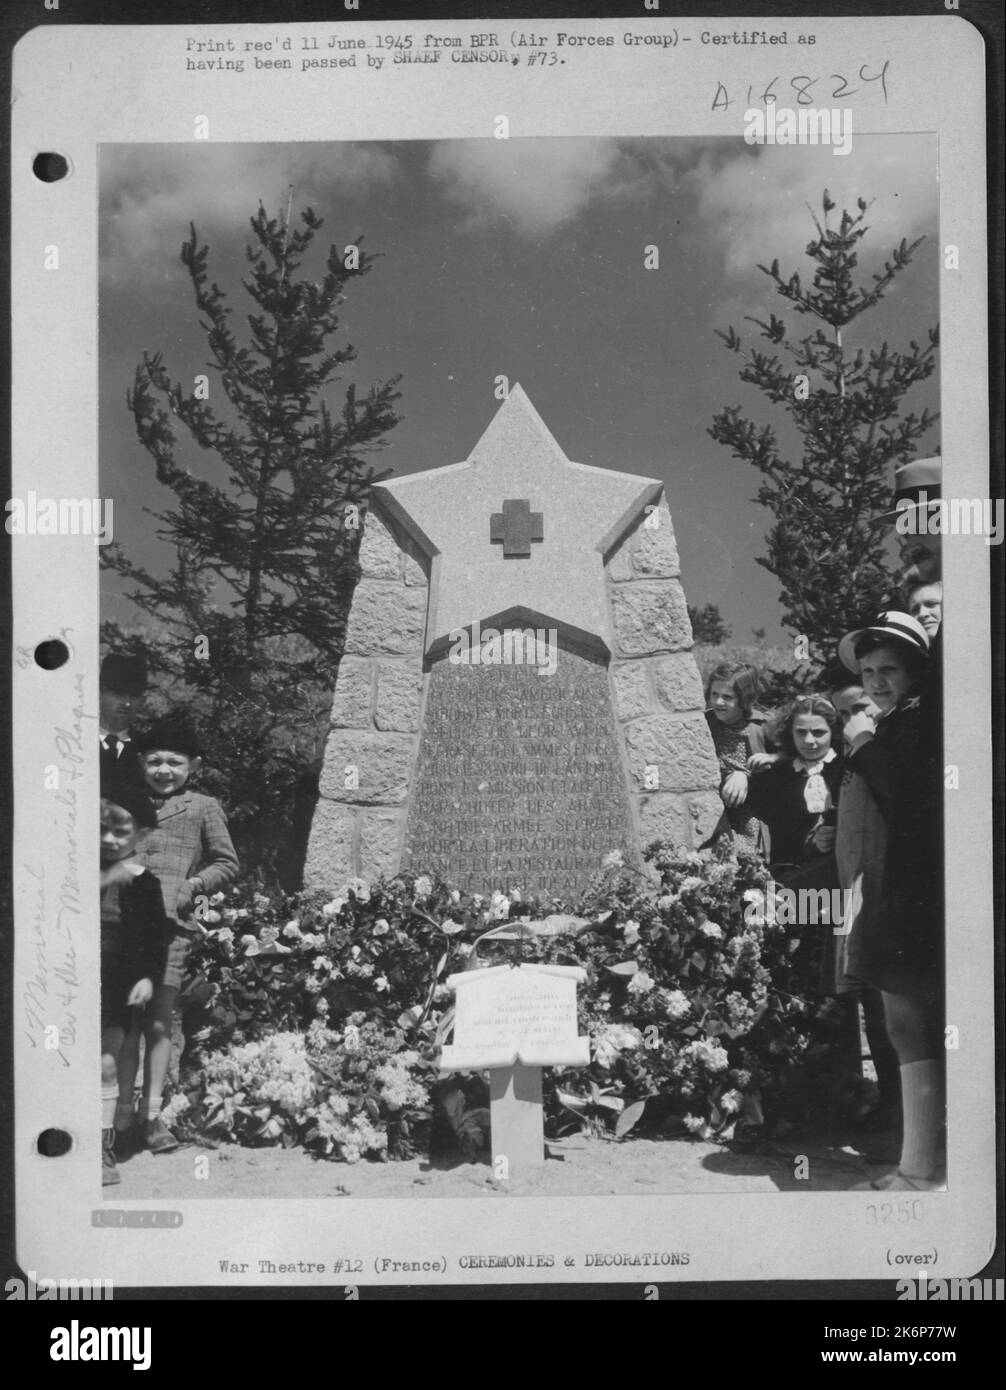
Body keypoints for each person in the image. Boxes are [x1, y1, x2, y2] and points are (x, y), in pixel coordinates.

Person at [837, 612, 944, 1191]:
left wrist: (862, 745)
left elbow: (907, 801)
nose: (877, 681)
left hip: (918, 888)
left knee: (910, 1021)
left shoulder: (915, 721)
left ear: (916, 671)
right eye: (869, 671)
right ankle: (920, 1164)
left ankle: (921, 1170)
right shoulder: (901, 719)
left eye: (890, 670)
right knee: (906, 1022)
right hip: (898, 883)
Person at [116, 714, 239, 1154]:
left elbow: (227, 862)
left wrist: (192, 886)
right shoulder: (123, 801)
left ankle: (152, 1120)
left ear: (194, 766)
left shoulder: (203, 806)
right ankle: (118, 1120)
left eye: (174, 762)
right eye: (153, 762)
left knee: (157, 1025)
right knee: (121, 1027)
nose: (163, 771)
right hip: (121, 928)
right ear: (140, 764)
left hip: (170, 929)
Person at [831, 682, 901, 1148]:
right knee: (874, 1006)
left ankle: (904, 1116)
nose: (852, 717)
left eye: (859, 707)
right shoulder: (852, 758)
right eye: (844, 713)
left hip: (891, 895)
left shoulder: (892, 745)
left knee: (897, 1009)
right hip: (856, 895)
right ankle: (891, 1104)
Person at [100, 776, 171, 1186]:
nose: (109, 839)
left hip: (117, 982)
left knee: (109, 1061)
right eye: (101, 829)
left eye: (120, 832)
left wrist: (147, 976)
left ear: (140, 834)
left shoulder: (144, 881)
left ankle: (102, 1148)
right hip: (72, 976)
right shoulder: (75, 870)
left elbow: (153, 936)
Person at [703, 661, 770, 852]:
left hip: (749, 825)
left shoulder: (761, 727)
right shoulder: (705, 723)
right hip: (713, 818)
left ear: (744, 698)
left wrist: (745, 775)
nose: (718, 702)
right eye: (714, 694)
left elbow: (781, 771)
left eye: (727, 697)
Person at [98, 653, 148, 782]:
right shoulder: (74, 742)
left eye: (134, 695)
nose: (127, 703)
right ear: (99, 694)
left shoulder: (147, 750)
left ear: (143, 701)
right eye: (118, 694)